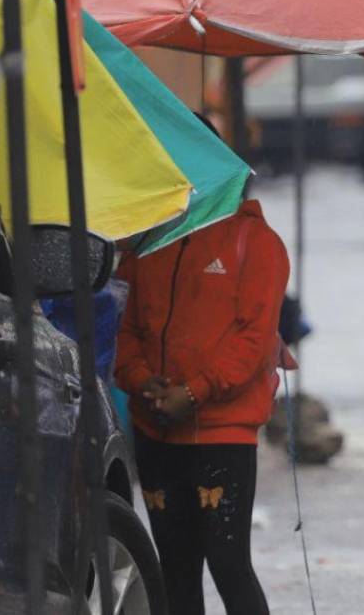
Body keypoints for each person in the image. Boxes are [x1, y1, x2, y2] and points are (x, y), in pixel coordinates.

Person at [114, 184, 289, 615]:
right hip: (154, 427)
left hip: (222, 433)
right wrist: (141, 380)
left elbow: (255, 339)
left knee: (228, 563)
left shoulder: (256, 242)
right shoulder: (148, 240)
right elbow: (122, 323)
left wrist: (194, 392)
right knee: (174, 568)